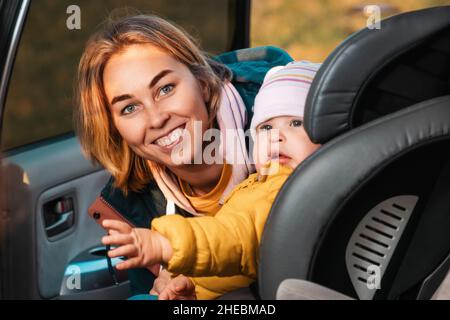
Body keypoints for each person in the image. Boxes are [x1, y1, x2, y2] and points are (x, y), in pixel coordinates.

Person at [75, 14, 294, 299]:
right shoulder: (134, 202)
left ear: (203, 83)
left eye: (165, 89)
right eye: (129, 108)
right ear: (114, 128)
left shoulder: (286, 129)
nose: (156, 119)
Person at [101, 61, 322, 299]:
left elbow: (236, 236)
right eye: (266, 127)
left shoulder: (286, 190)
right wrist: (183, 280)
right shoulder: (262, 183)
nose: (275, 137)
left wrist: (166, 245)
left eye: (296, 123)